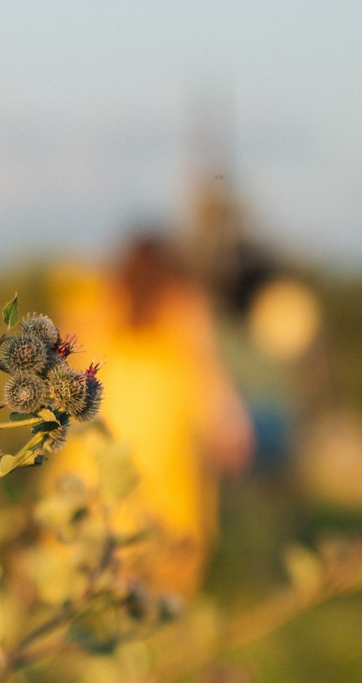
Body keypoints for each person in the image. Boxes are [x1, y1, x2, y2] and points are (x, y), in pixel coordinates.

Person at [52, 231, 252, 593]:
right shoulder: (184, 309)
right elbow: (209, 376)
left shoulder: (100, 301)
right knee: (163, 559)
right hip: (165, 457)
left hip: (97, 449)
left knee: (86, 547)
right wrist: (231, 427)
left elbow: (65, 359)